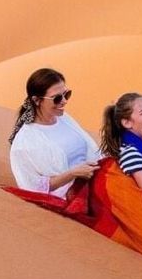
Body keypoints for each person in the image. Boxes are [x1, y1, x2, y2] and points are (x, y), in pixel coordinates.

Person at [9, 68, 101, 199]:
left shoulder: (64, 119)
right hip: (70, 198)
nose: (64, 101)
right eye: (57, 98)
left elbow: (91, 152)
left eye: (66, 94)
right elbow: (34, 188)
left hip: (93, 183)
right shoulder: (24, 143)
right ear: (36, 100)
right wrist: (73, 174)